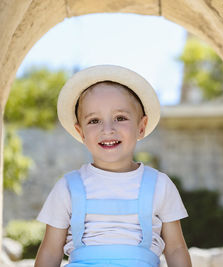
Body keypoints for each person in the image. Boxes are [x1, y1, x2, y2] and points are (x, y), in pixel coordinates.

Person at [34, 65, 191, 267]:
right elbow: (50, 251)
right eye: (94, 120)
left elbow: (176, 248)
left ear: (141, 127)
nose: (108, 129)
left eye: (120, 118)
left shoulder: (160, 185)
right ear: (81, 132)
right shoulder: (67, 188)